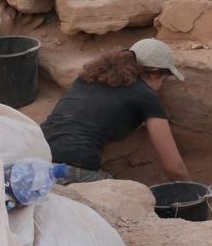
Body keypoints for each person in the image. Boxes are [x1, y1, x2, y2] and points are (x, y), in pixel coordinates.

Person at [40, 38, 191, 185]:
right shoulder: (145, 95)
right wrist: (194, 193)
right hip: (74, 167)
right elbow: (175, 169)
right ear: (154, 74)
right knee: (129, 201)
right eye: (163, 80)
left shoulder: (87, 78)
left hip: (35, 153)